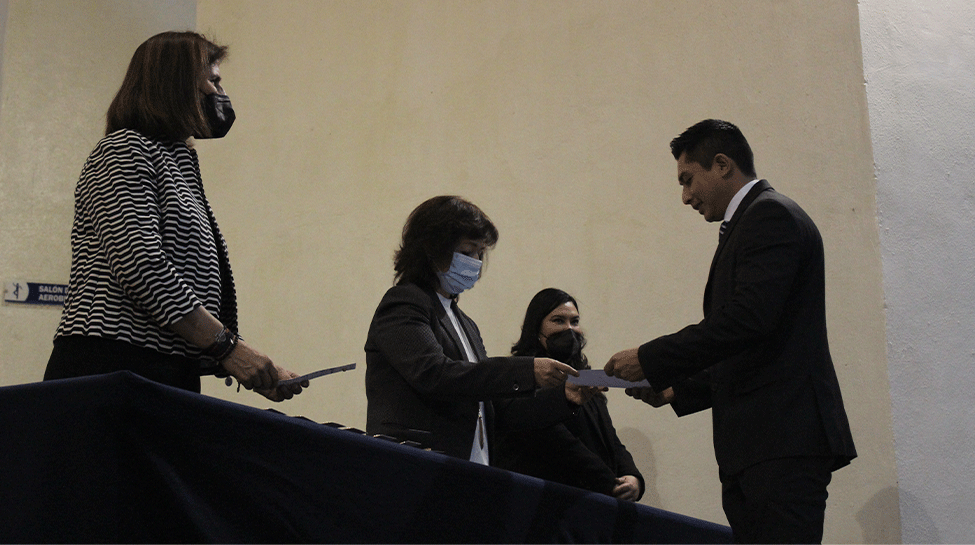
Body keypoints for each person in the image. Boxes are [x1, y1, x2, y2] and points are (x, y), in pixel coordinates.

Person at [604, 119, 856, 543]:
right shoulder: (753, 221)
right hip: (763, 444)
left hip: (781, 438)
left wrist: (650, 358)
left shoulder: (770, 215)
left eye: (688, 179)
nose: (685, 196)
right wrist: (678, 389)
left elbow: (747, 321)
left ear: (721, 165)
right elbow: (754, 344)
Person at [44, 31, 305, 402]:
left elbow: (183, 285)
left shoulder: (173, 161)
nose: (220, 93)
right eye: (213, 81)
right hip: (113, 364)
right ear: (178, 84)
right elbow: (141, 266)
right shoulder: (125, 149)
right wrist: (229, 349)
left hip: (159, 368)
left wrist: (246, 364)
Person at [365, 196, 579, 464]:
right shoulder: (404, 302)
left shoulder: (465, 323)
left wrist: (566, 397)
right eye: (467, 252)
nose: (476, 262)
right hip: (416, 466)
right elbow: (434, 374)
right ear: (431, 251)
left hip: (467, 469)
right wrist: (526, 370)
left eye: (480, 253)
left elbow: (495, 409)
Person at [494, 288, 644, 501]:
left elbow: (610, 440)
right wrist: (610, 483)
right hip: (546, 501)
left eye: (574, 321)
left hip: (596, 501)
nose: (569, 329)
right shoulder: (519, 377)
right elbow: (557, 443)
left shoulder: (586, 379)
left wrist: (632, 478)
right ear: (536, 328)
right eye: (558, 321)